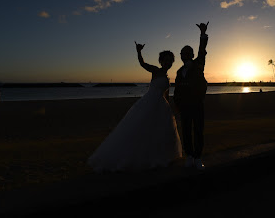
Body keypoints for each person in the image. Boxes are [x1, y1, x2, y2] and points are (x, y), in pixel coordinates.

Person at [88, 43, 182, 173]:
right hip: (150, 102)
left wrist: (170, 107)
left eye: (170, 61)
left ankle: (160, 157)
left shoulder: (168, 78)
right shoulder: (155, 70)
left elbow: (166, 95)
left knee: (160, 131)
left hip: (162, 106)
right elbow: (143, 64)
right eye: (165, 60)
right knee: (142, 129)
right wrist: (139, 52)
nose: (168, 63)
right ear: (161, 61)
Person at [174, 22, 209, 170]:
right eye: (183, 53)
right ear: (181, 56)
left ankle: (197, 157)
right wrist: (177, 104)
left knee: (198, 131)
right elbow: (177, 90)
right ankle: (189, 156)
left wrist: (202, 33)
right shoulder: (179, 71)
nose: (185, 55)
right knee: (186, 131)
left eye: (188, 53)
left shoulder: (199, 64)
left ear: (192, 55)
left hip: (197, 104)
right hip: (184, 106)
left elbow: (202, 50)